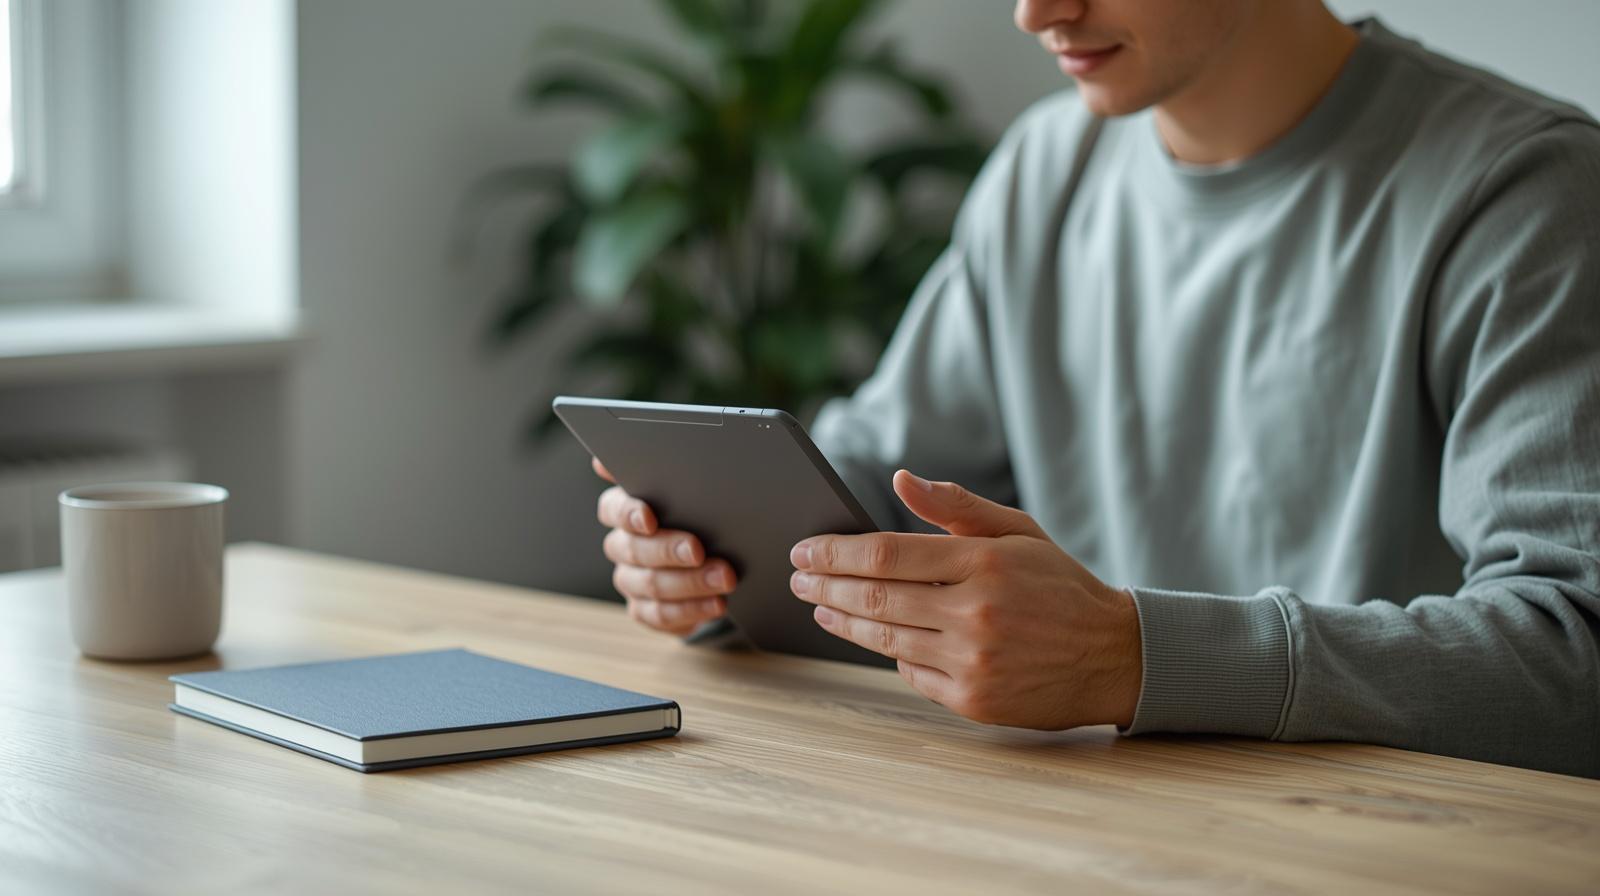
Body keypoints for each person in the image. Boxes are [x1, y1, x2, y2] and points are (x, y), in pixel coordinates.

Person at [589, 0, 1600, 777]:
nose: (1035, 12)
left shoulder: (1526, 194)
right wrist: (711, 552)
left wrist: (1136, 655)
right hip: (1084, 827)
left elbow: (1574, 658)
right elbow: (871, 470)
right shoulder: (1046, 166)